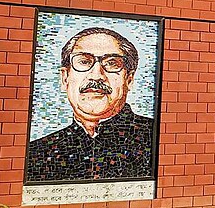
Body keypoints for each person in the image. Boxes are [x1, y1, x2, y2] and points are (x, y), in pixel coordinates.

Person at [26, 27, 155, 182]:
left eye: (112, 63)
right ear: (65, 78)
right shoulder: (37, 153)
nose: (97, 75)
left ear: (129, 80)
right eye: (84, 61)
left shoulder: (156, 138)